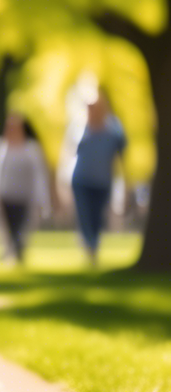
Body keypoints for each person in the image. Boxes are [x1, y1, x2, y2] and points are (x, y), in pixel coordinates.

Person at [0, 115, 51, 264]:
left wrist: (42, 199)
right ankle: (10, 252)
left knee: (22, 228)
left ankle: (18, 252)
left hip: (25, 196)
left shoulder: (32, 149)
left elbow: (39, 175)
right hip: (5, 195)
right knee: (7, 229)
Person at [72, 92, 125, 267]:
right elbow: (72, 150)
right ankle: (90, 246)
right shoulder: (81, 127)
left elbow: (123, 148)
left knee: (97, 217)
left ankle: (93, 246)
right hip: (81, 180)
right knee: (85, 216)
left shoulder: (114, 128)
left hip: (103, 181)